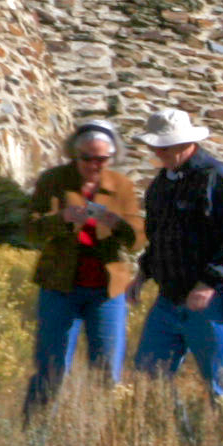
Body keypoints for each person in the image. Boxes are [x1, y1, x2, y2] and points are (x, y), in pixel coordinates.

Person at [22, 119, 145, 411]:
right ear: (75, 155)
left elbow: (138, 241)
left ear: (112, 157)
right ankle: (32, 445)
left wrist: (117, 225)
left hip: (107, 291)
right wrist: (62, 219)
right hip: (59, 286)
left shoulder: (122, 186)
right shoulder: (53, 181)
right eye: (87, 158)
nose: (94, 165)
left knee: (106, 375)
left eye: (101, 159)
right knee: (50, 371)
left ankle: (98, 443)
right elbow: (30, 230)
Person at [128, 107, 223, 399]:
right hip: (170, 296)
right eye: (155, 147)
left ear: (184, 143)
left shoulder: (217, 178)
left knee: (222, 386)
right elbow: (158, 238)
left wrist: (208, 283)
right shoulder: (160, 185)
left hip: (214, 298)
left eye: (163, 147)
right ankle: (170, 440)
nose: (158, 153)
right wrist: (142, 275)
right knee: (149, 378)